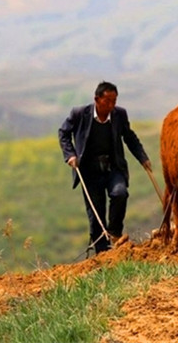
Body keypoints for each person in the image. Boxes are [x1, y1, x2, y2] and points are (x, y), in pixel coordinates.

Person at [58, 81, 151, 254]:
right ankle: (103, 254)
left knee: (120, 194)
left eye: (114, 101)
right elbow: (63, 133)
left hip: (112, 168)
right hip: (88, 171)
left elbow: (129, 137)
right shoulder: (79, 114)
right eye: (107, 101)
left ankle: (114, 232)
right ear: (96, 99)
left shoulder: (119, 115)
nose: (111, 106)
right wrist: (70, 155)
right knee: (96, 215)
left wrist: (143, 158)